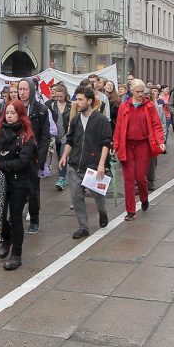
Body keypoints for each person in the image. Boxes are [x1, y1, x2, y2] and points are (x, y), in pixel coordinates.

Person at [0, 100, 37, 271]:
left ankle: (17, 254)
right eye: (7, 112)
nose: (9, 116)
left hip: (19, 181)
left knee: (15, 217)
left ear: (20, 114)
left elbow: (22, 162)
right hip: (1, 180)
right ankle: (6, 237)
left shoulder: (27, 136)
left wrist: (0, 166)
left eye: (13, 113)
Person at [60, 86, 112, 239]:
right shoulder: (75, 120)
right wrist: (64, 156)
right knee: (76, 197)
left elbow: (106, 143)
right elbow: (69, 140)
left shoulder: (101, 120)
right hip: (75, 165)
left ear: (89, 101)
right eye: (76, 99)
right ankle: (83, 226)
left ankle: (102, 212)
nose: (77, 102)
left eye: (80, 99)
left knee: (98, 196)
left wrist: (102, 164)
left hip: (93, 166)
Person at [113, 79, 165, 221]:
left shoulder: (149, 106)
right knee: (128, 179)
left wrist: (160, 141)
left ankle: (144, 198)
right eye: (138, 92)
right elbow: (118, 127)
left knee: (141, 177)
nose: (141, 94)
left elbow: (156, 125)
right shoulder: (124, 106)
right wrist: (115, 145)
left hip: (142, 145)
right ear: (131, 91)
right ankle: (130, 210)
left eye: (142, 91)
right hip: (127, 146)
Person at [17, 78, 51, 233]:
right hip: (17, 156)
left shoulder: (41, 110)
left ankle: (35, 220)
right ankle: (15, 217)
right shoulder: (14, 108)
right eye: (20, 89)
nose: (22, 92)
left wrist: (41, 159)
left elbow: (45, 136)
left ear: (31, 90)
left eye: (25, 89)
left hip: (33, 156)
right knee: (16, 188)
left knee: (33, 190)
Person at [46, 83, 71, 191]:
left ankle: (61, 178)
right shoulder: (52, 106)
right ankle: (63, 175)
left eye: (61, 96)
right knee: (58, 154)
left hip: (66, 134)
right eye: (57, 96)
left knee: (62, 156)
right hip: (56, 136)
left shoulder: (70, 106)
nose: (59, 98)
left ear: (65, 95)